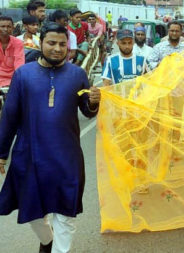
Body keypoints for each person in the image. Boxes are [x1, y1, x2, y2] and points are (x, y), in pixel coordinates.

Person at [0, 22, 101, 253]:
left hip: (67, 157)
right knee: (32, 211)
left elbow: (87, 110)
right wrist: (2, 154)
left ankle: (59, 250)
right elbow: (10, 116)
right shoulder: (23, 74)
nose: (57, 48)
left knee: (65, 213)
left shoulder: (78, 74)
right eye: (52, 43)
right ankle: (47, 240)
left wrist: (93, 103)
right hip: (30, 155)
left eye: (63, 44)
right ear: (41, 43)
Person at [0, 16, 25, 87]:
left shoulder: (18, 43)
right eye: (2, 26)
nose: (5, 29)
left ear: (13, 28)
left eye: (9, 26)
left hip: (13, 78)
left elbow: (19, 63)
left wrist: (18, 80)